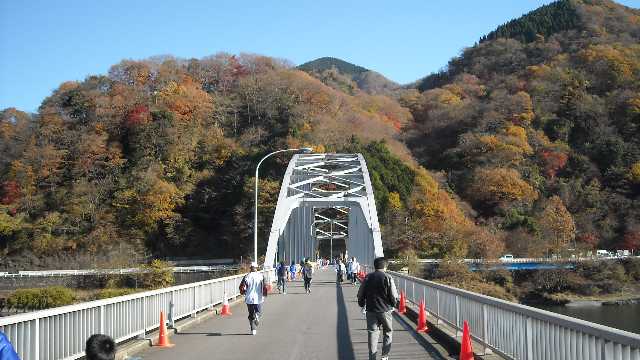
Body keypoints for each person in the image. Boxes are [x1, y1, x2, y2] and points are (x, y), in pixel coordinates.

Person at [357, 257, 398, 360]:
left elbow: (360, 293)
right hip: (385, 310)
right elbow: (394, 295)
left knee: (372, 333)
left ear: (375, 265)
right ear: (385, 266)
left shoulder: (368, 277)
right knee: (388, 332)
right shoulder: (388, 277)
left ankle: (372, 357)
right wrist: (393, 305)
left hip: (371, 310)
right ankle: (384, 356)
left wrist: (362, 304)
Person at [242, 261, 266, 335]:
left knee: (250, 315)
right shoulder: (261, 276)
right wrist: (264, 294)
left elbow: (242, 287)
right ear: (256, 268)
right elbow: (265, 286)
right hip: (258, 298)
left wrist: (244, 293)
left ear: (250, 268)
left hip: (249, 298)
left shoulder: (246, 276)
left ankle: (253, 330)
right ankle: (257, 316)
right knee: (259, 312)